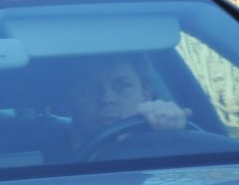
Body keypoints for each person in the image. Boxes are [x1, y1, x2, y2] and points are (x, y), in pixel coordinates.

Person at [58, 54, 190, 155]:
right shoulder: (45, 158)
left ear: (146, 96)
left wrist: (173, 138)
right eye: (90, 88)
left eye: (123, 85)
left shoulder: (160, 145)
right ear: (69, 99)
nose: (107, 98)